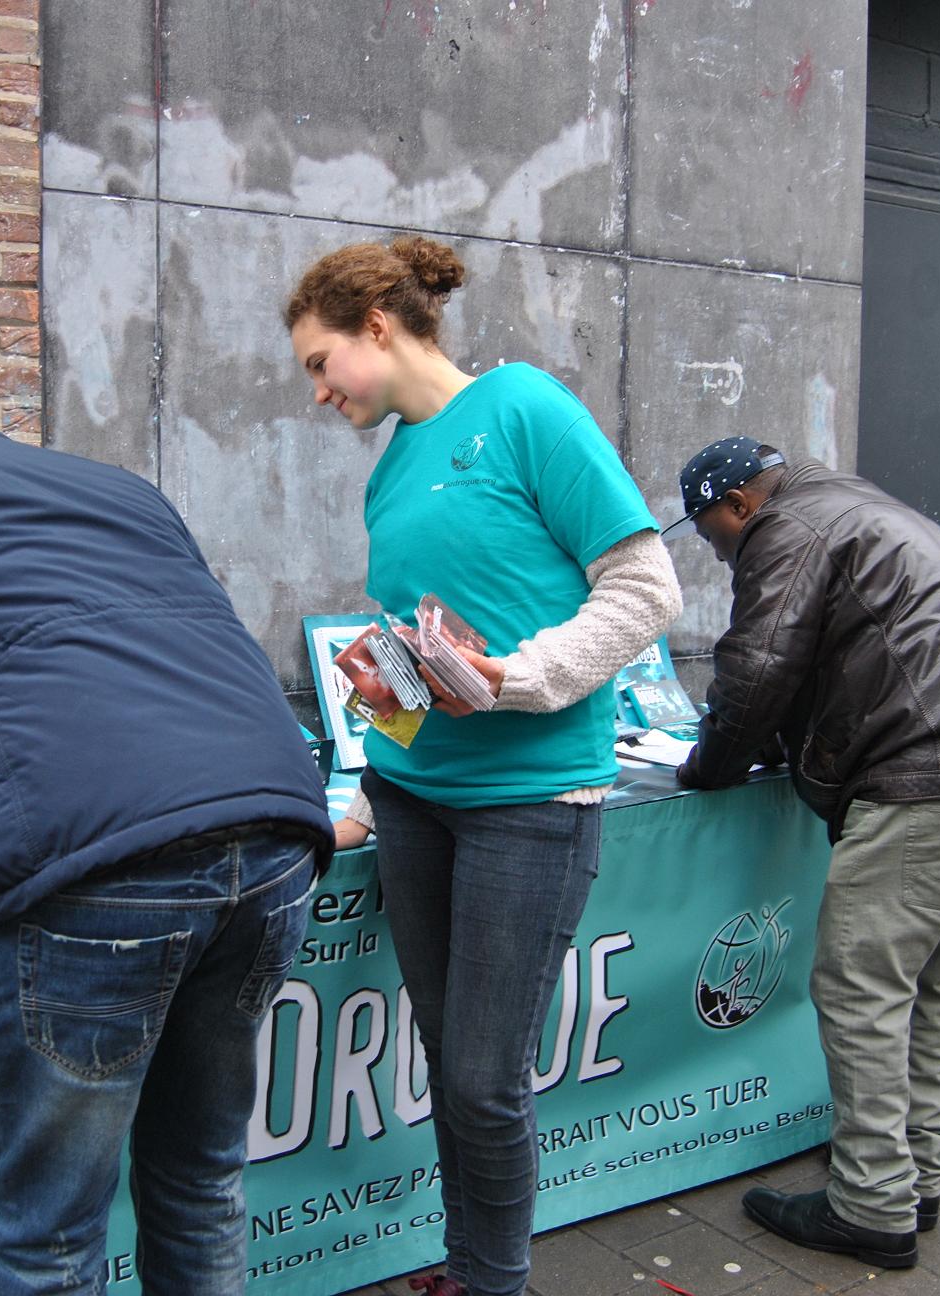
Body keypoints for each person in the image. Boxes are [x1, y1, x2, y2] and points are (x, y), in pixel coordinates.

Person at [0, 389, 336, 1295]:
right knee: (202, 1180)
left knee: (46, 1232)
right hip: (278, 831)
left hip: (100, 870)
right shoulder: (116, 487)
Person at [286, 237, 682, 1296]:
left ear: (378, 324)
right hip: (414, 800)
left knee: (483, 1078)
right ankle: (469, 1270)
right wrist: (387, 709)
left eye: (321, 364)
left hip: (530, 804)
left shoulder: (524, 410)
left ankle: (494, 1282)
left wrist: (516, 678)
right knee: (450, 1063)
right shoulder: (391, 469)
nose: (317, 393)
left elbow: (645, 594)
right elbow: (422, 650)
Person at [665, 436, 940, 1269]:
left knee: (859, 983)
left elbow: (759, 665)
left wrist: (709, 766)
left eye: (712, 536)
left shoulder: (788, 528)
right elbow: (844, 657)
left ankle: (871, 1203)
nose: (718, 552)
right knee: (932, 977)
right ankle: (913, 1174)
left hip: (932, 771)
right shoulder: (866, 509)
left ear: (740, 506)